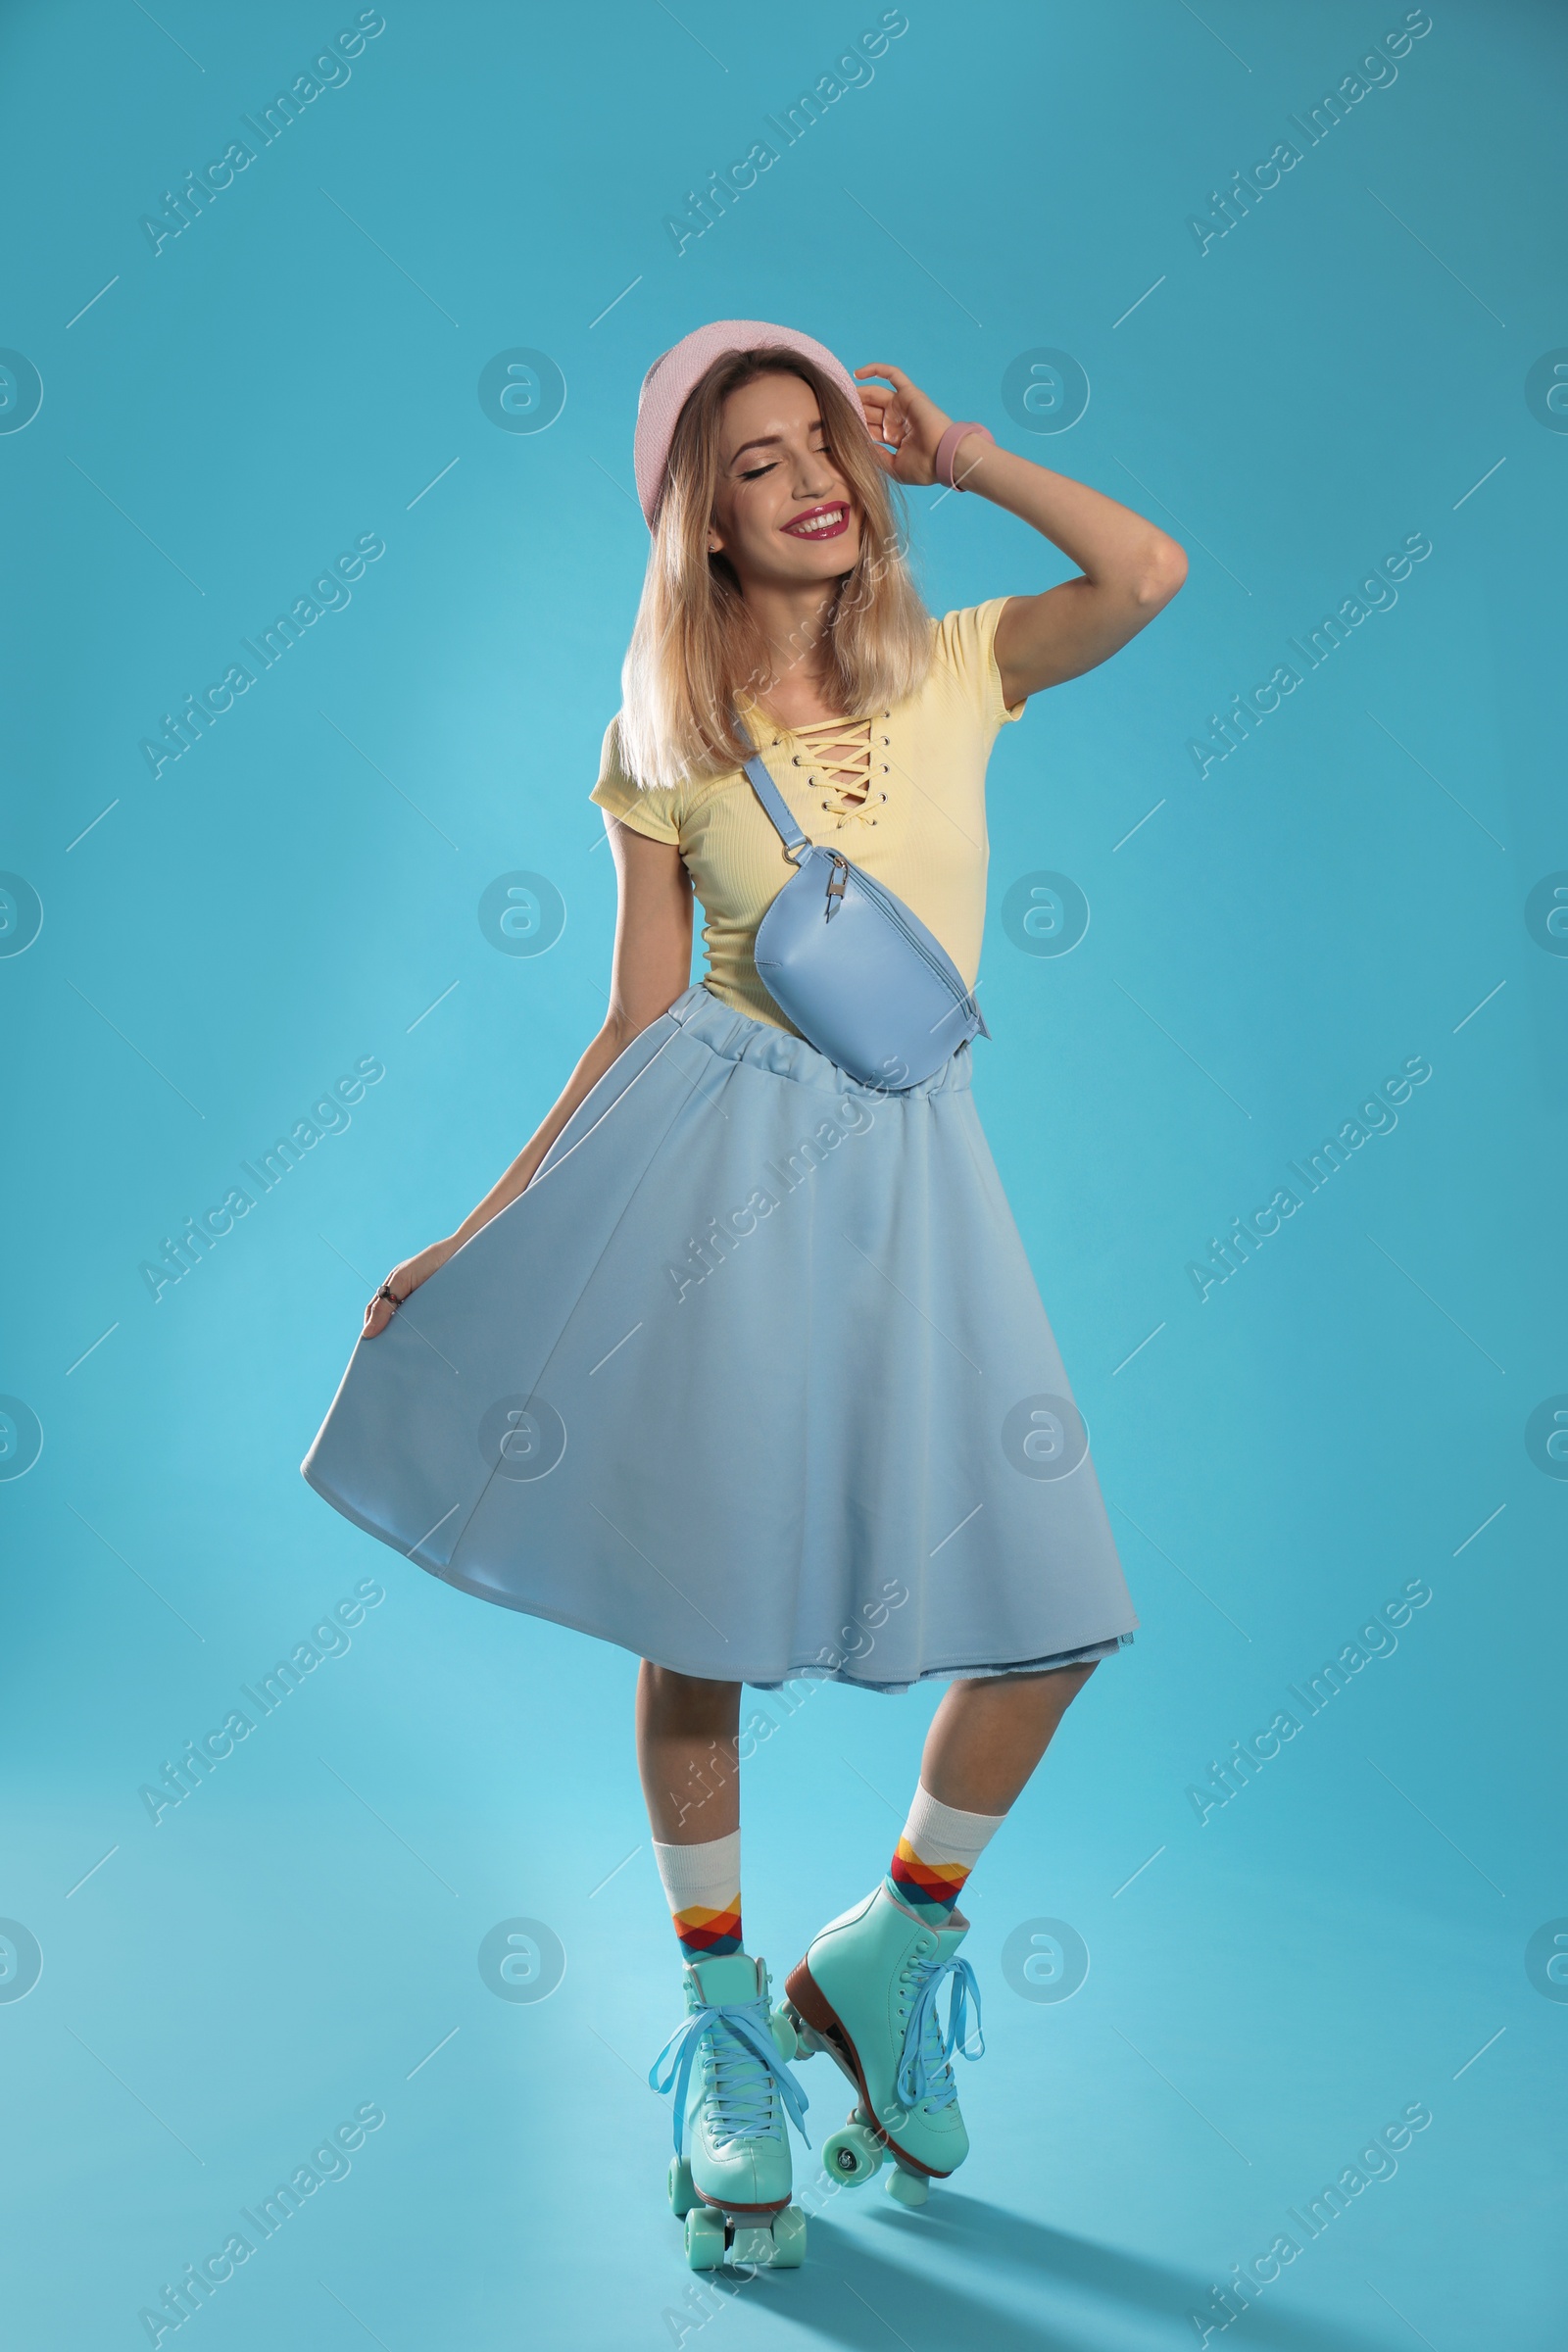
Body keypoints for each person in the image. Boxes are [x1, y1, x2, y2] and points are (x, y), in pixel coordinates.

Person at [302, 318, 1186, 2271]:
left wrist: (961, 452)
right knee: (694, 1607)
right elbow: (628, 1018)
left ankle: (888, 1946)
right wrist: (476, 1233)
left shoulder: (956, 672)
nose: (807, 477)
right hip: (711, 1181)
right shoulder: (660, 742)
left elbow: (1143, 576)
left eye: (822, 446)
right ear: (697, 525)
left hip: (918, 1184)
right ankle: (718, 2024)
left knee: (1045, 1611)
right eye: (755, 460)